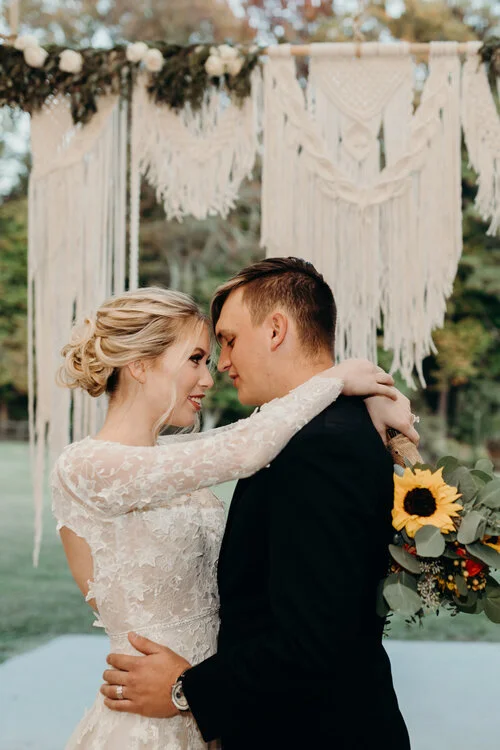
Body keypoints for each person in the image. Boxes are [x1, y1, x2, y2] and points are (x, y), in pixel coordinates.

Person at [52, 283, 410, 750]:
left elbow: (254, 435)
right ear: (139, 364)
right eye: (196, 359)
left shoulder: (173, 458)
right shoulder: (85, 466)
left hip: (217, 705)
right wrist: (336, 380)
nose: (210, 377)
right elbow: (246, 446)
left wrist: (367, 399)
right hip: (151, 715)